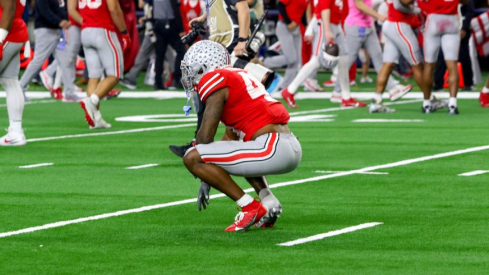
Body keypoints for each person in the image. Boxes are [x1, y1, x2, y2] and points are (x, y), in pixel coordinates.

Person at [181, 40, 302, 231]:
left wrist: (201, 170)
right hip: (288, 145)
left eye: (191, 69)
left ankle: (249, 206)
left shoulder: (215, 78)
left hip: (271, 147)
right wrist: (208, 174)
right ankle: (269, 202)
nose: (189, 75)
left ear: (203, 66)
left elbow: (205, 140)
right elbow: (230, 140)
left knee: (191, 156)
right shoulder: (238, 75)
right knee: (238, 148)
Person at [281, 0, 367, 109]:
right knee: (316, 60)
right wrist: (326, 30)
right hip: (325, 24)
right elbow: (324, 8)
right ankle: (289, 90)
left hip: (335, 24)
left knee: (344, 58)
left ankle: (346, 97)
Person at [332, 0, 412, 103]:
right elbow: (359, 5)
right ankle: (337, 92)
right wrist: (379, 16)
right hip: (355, 27)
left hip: (368, 27)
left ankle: (392, 88)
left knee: (379, 58)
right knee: (349, 60)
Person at [76, 0, 131, 129]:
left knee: (94, 75)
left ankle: (96, 118)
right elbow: (114, 9)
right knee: (115, 74)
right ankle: (92, 100)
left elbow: (72, 9)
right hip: (103, 30)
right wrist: (124, 32)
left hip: (86, 30)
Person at [369, 0, 425, 113]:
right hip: (399, 24)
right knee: (417, 64)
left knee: (388, 65)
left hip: (392, 23)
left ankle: (376, 102)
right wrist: (414, 9)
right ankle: (429, 99)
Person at [418, 0, 469, 114]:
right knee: (452, 65)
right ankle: (452, 104)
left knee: (429, 65)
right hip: (451, 19)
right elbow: (465, 1)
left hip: (434, 19)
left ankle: (426, 104)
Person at [19, 0, 71, 101]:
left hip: (57, 30)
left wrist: (65, 20)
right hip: (45, 29)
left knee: (65, 58)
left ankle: (69, 90)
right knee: (38, 60)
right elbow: (44, 11)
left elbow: (61, 10)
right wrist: (59, 21)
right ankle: (20, 87)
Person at [262, 0, 308, 92]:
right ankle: (266, 62)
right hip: (284, 26)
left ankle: (286, 86)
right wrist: (289, 22)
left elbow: (301, 12)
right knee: (291, 58)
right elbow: (280, 5)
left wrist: (306, 25)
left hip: (296, 27)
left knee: (296, 60)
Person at [0, 0, 29, 146]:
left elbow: (9, 8)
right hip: (14, 32)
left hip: (8, 32)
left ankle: (16, 132)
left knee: (10, 81)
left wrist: (0, 37)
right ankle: (16, 132)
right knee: (9, 81)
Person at [152, 0, 186, 90]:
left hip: (158, 23)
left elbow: (151, 8)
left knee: (159, 55)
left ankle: (158, 82)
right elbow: (175, 9)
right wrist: (181, 29)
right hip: (170, 23)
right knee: (181, 51)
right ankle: (177, 78)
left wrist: (153, 25)